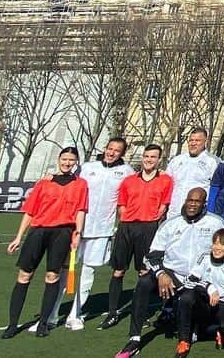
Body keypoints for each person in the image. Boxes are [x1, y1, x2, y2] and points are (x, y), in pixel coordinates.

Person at [33, 136, 135, 331]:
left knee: (88, 271)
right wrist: (50, 177)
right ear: (105, 148)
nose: (111, 152)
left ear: (122, 153)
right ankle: (50, 315)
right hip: (75, 228)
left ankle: (75, 313)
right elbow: (67, 179)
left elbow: (137, 185)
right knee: (64, 270)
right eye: (109, 148)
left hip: (102, 230)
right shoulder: (87, 167)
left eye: (117, 150)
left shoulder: (126, 172)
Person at [114, 187, 224, 358]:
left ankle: (184, 340)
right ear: (185, 201)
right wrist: (161, 274)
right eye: (190, 200)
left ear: (204, 204)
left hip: (199, 278)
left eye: (197, 201)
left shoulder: (216, 223)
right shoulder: (171, 223)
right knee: (144, 283)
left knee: (188, 299)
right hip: (171, 273)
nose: (192, 204)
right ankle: (135, 339)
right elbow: (153, 255)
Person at [2, 146, 89, 339]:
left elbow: (81, 210)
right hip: (38, 231)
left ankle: (43, 323)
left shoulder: (81, 184)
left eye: (71, 160)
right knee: (24, 276)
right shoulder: (43, 183)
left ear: (76, 163)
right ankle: (12, 324)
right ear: (59, 160)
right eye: (64, 159)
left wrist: (78, 232)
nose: (67, 163)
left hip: (63, 233)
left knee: (52, 276)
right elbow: (30, 211)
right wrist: (18, 237)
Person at [101, 143, 174, 330]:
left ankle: (139, 313)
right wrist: (126, 219)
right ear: (142, 158)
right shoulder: (129, 180)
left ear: (159, 160)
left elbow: (163, 206)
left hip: (148, 229)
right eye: (146, 156)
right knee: (118, 271)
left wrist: (152, 219)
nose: (149, 160)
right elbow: (121, 205)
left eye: (153, 157)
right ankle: (112, 313)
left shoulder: (165, 180)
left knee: (143, 272)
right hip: (127, 228)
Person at [176, 227, 224, 355]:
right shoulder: (205, 257)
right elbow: (189, 281)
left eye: (222, 244)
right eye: (215, 243)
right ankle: (185, 339)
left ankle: (214, 330)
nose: (217, 247)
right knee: (186, 297)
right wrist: (209, 287)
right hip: (208, 301)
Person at [166, 128, 221, 220]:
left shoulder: (212, 162)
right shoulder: (177, 160)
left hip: (198, 215)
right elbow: (167, 184)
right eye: (191, 140)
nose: (193, 143)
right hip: (174, 213)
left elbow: (217, 189)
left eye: (197, 140)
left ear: (205, 142)